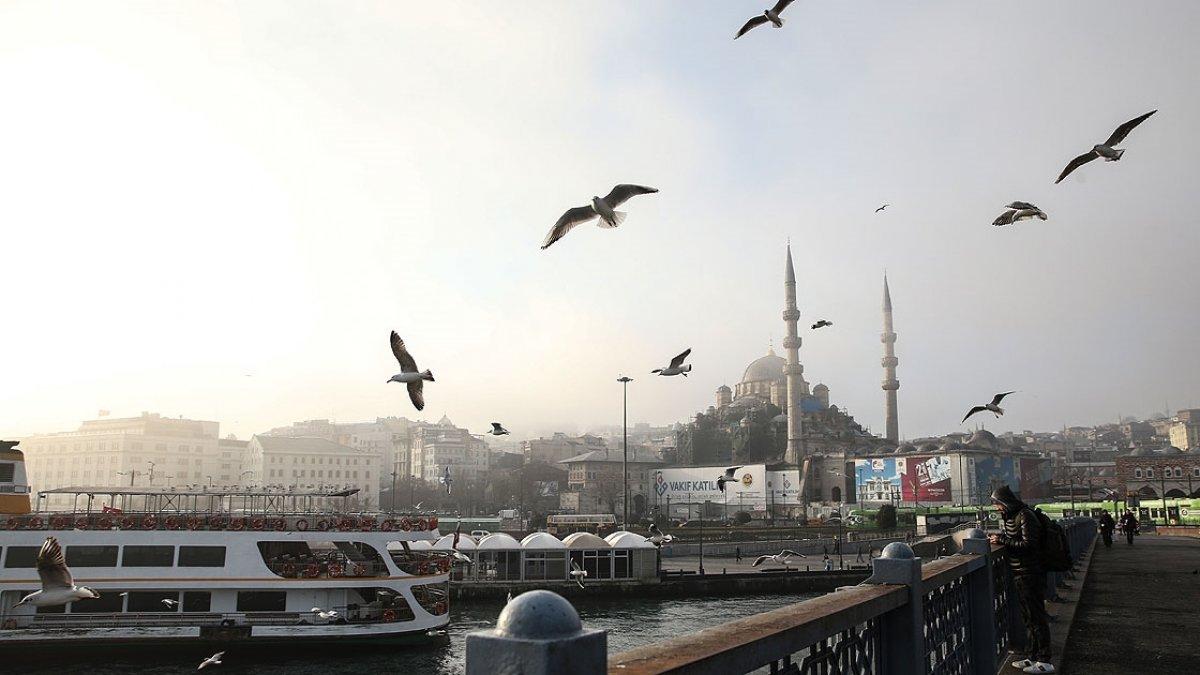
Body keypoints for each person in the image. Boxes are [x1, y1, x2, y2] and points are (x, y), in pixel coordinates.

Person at [988, 485, 1053, 674]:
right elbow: (1016, 538)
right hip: (1021, 573)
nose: (996, 508)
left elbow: (1028, 544)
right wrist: (1002, 538)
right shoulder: (1013, 516)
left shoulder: (1025, 515)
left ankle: (1045, 660)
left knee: (1036, 618)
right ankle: (1032, 656)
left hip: (1030, 573)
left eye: (997, 504)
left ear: (1004, 502)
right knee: (1029, 618)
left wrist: (1002, 541)